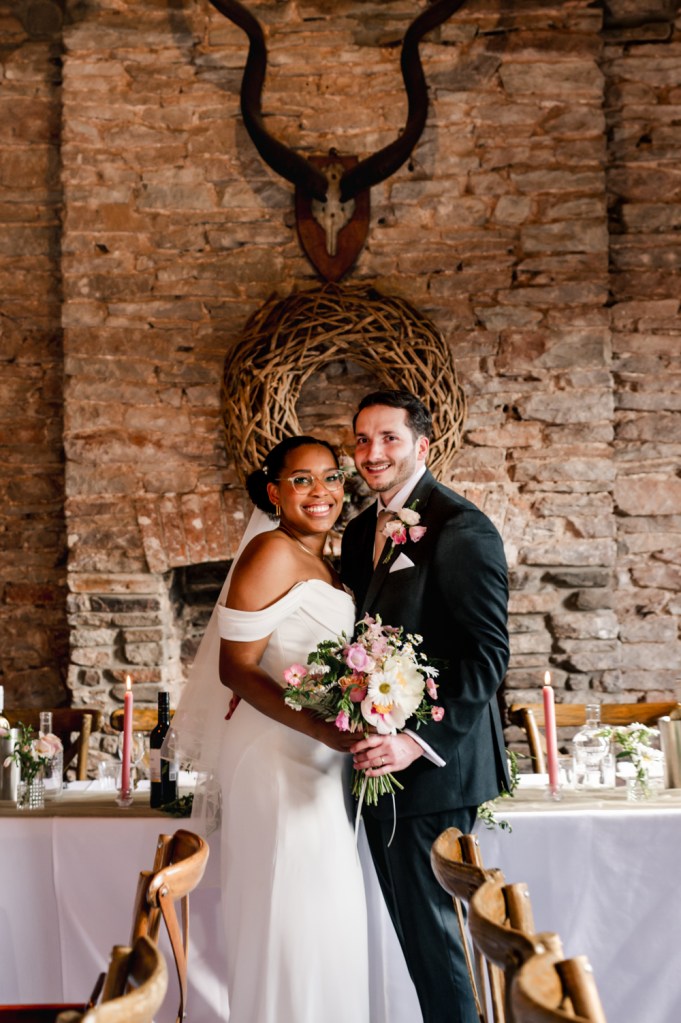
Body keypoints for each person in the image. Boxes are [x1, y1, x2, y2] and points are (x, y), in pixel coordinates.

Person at [170, 435, 370, 1023]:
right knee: (293, 910)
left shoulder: (325, 562)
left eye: (331, 477)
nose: (320, 491)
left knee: (324, 913)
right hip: (279, 756)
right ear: (275, 492)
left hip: (320, 756)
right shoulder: (270, 552)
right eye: (301, 480)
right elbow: (236, 668)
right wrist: (322, 729)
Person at [341, 389, 510, 1023]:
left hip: (437, 768)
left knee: (437, 945)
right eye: (362, 439)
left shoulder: (461, 526)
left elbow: (487, 655)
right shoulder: (360, 532)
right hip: (378, 760)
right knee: (417, 940)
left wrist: (415, 742)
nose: (373, 452)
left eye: (389, 437)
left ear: (423, 446)